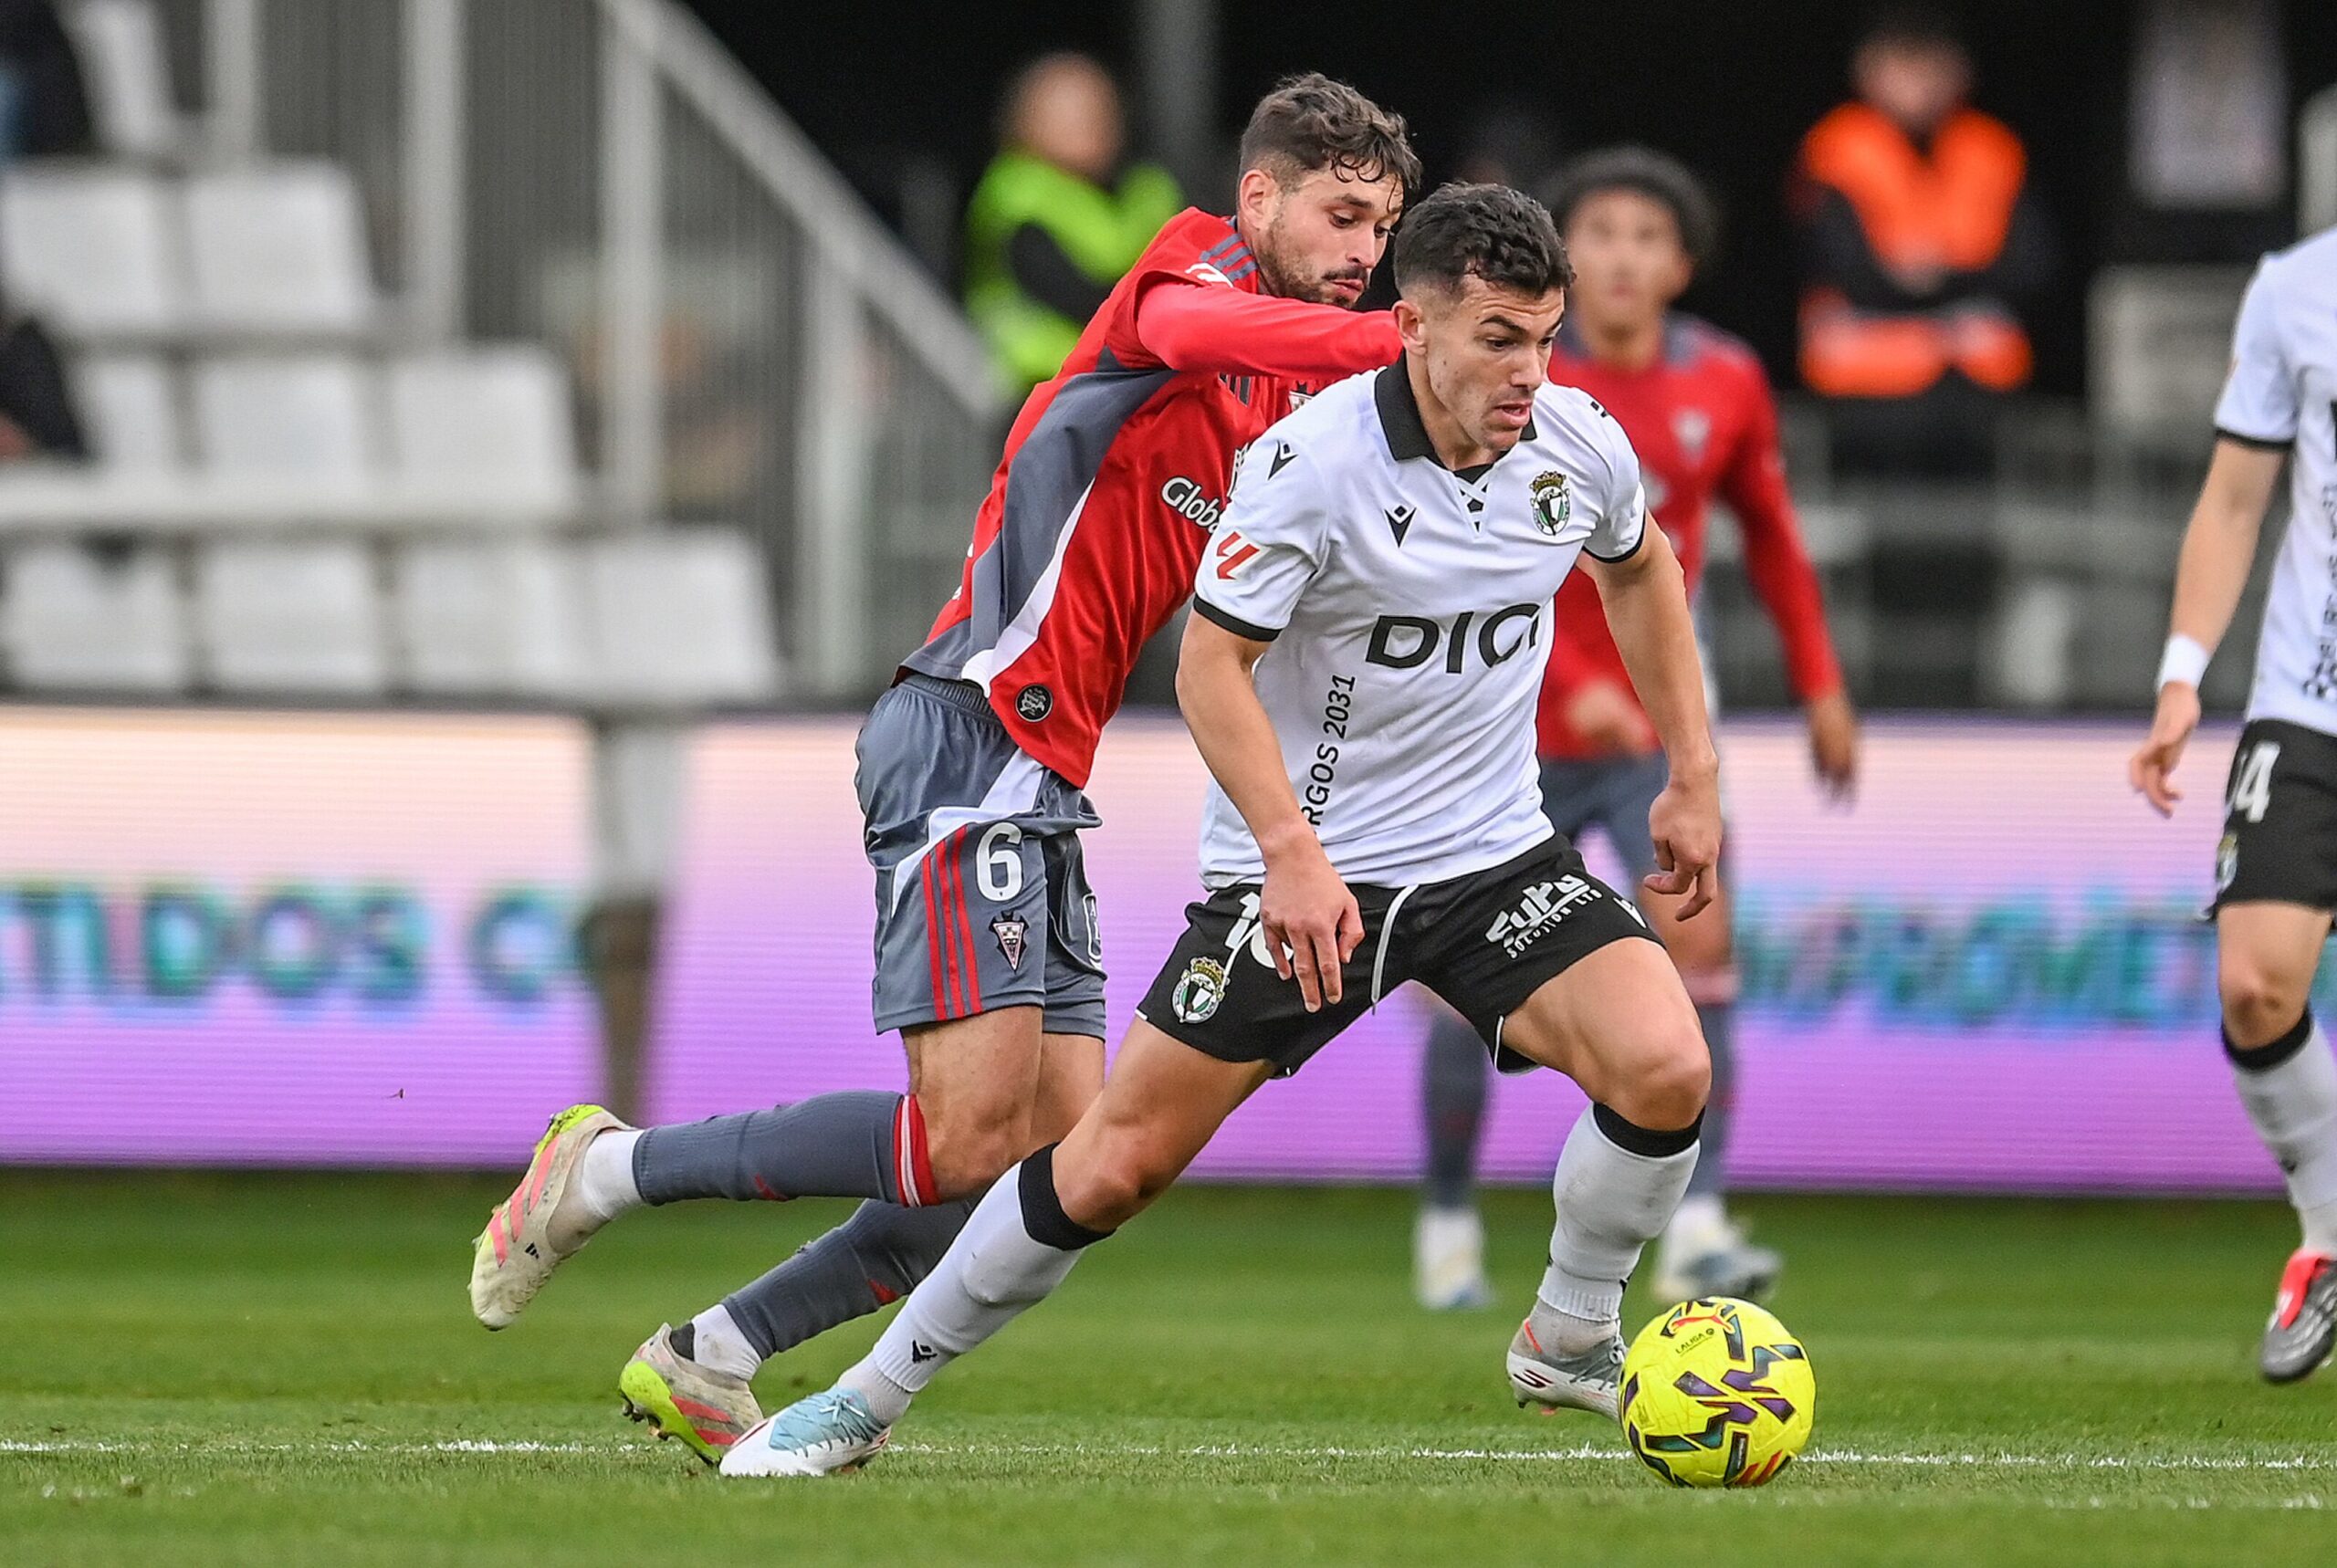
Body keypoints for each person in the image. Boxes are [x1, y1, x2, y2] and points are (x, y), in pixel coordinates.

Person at [463, 74, 1421, 1463]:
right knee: (964, 1137)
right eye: (1341, 217)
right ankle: (606, 1168)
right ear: (1259, 196)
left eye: (1383, 231)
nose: (1362, 254)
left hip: (1048, 772)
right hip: (973, 726)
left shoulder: (1292, 383)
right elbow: (1193, 329)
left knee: (1058, 1167)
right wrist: (1401, 336)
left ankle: (712, 1350)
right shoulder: (1187, 276)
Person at [726, 182, 1721, 1479]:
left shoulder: (1575, 445)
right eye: (1496, 339)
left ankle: (1570, 1328)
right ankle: (863, 1397)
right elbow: (1210, 668)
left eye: (1542, 338)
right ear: (1413, 326)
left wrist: (1690, 768)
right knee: (1109, 1166)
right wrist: (1290, 853)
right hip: (1302, 876)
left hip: (1490, 858)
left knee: (1667, 1069)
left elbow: (1640, 569)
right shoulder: (1309, 466)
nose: (1528, 372)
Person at [1412, 149, 1859, 1313]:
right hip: (1502, 735)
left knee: (1700, 954)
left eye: (1645, 236)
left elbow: (1771, 538)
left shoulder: (1726, 379)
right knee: (1458, 981)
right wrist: (1570, 683)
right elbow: (1464, 555)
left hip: (1651, 741)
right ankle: (1448, 1222)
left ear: (1682, 263)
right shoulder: (1507, 382)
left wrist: (1820, 686)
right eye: (1598, 232)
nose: (1620, 256)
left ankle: (1697, 1225)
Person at [2130, 224, 2337, 1385]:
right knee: (2256, 983)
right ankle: (2329, 1237)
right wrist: (2181, 674)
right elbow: (2232, 502)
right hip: (2309, 700)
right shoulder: (2297, 291)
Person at [1789, 5, 2050, 477]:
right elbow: (1836, 264)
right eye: (1902, 63)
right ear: (1868, 69)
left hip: (1975, 390)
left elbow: (2030, 266)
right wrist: (1938, 285)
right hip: (1864, 393)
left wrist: (1938, 277)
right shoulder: (1833, 148)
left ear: (1960, 71)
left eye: (1931, 63)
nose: (1918, 81)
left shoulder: (1994, 149)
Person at [963, 53, 1185, 398]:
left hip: (1133, 386)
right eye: (1067, 114)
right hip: (1038, 391)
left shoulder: (1146, 189)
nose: (1087, 125)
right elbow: (1075, 294)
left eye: (1098, 112)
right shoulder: (1017, 193)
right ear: (1023, 122)